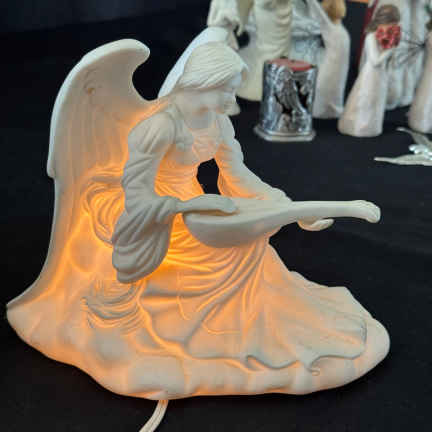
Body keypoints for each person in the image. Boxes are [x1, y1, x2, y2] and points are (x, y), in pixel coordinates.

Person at [7, 40, 389, 400]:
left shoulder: (218, 123)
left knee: (252, 242)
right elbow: (136, 194)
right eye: (228, 90)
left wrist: (286, 206)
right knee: (228, 247)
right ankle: (190, 329)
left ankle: (241, 330)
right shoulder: (159, 126)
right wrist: (184, 208)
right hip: (159, 215)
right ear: (206, 82)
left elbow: (237, 176)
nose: (232, 100)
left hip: (197, 207)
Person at [338, 5, 400, 137]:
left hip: (381, 75)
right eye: (392, 23)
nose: (394, 27)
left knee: (377, 101)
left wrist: (391, 53)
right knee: (367, 100)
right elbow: (375, 61)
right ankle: (360, 126)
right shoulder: (371, 37)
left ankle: (372, 126)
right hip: (371, 75)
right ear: (384, 21)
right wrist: (390, 51)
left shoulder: (384, 37)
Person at [305, 0, 350, 118]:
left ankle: (327, 110)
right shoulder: (330, 28)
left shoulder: (337, 28)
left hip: (338, 70)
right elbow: (317, 11)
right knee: (323, 91)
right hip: (331, 68)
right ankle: (319, 111)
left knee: (333, 92)